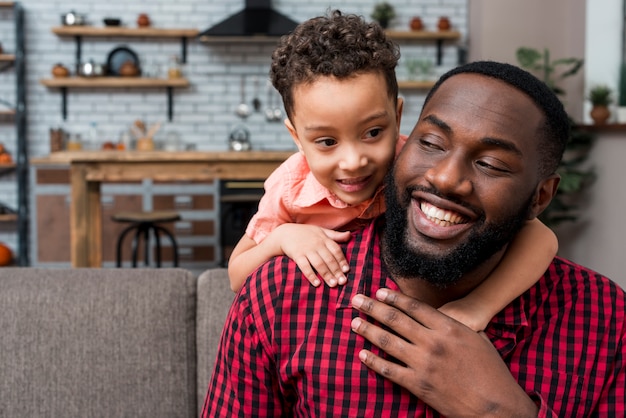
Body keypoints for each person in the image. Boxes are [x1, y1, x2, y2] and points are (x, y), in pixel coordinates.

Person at [202, 54, 626, 416]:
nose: (445, 178)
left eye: (491, 164)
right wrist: (282, 238)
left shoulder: (605, 319)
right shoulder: (281, 293)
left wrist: (497, 409)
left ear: (540, 197)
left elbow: (543, 240)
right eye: (431, 143)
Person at [226, 10, 557, 332]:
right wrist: (282, 238)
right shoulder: (290, 189)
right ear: (297, 137)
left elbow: (541, 238)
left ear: (397, 118)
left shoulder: (414, 167)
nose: (354, 161)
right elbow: (236, 274)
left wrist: (477, 307)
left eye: (373, 133)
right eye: (327, 141)